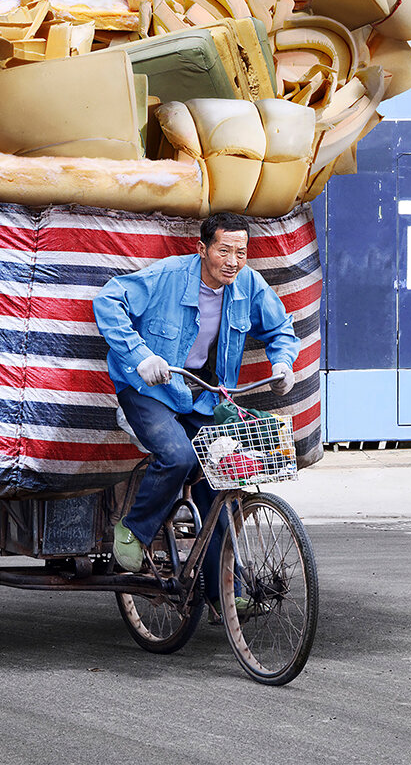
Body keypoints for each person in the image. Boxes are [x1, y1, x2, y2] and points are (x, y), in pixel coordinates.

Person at [94, 211, 300, 605]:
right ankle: (134, 530)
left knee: (218, 480)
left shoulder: (249, 285)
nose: (233, 261)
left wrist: (283, 363)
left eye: (241, 252)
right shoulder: (169, 276)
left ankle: (225, 593)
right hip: (148, 388)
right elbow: (108, 300)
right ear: (202, 249)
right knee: (178, 456)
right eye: (224, 251)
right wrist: (139, 356)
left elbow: (280, 329)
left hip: (203, 393)